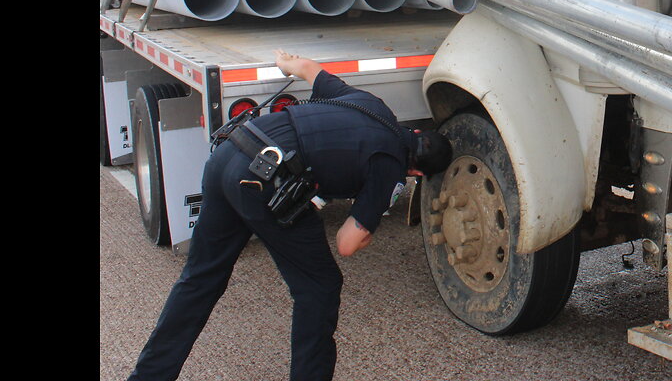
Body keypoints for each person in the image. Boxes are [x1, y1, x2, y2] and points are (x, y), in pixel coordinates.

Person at [127, 49, 451, 381]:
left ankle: (148, 376)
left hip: (229, 152)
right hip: (262, 182)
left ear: (414, 132)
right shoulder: (391, 167)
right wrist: (369, 225)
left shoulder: (374, 106)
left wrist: (284, 63)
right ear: (419, 174)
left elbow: (308, 68)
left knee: (201, 278)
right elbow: (346, 243)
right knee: (320, 287)